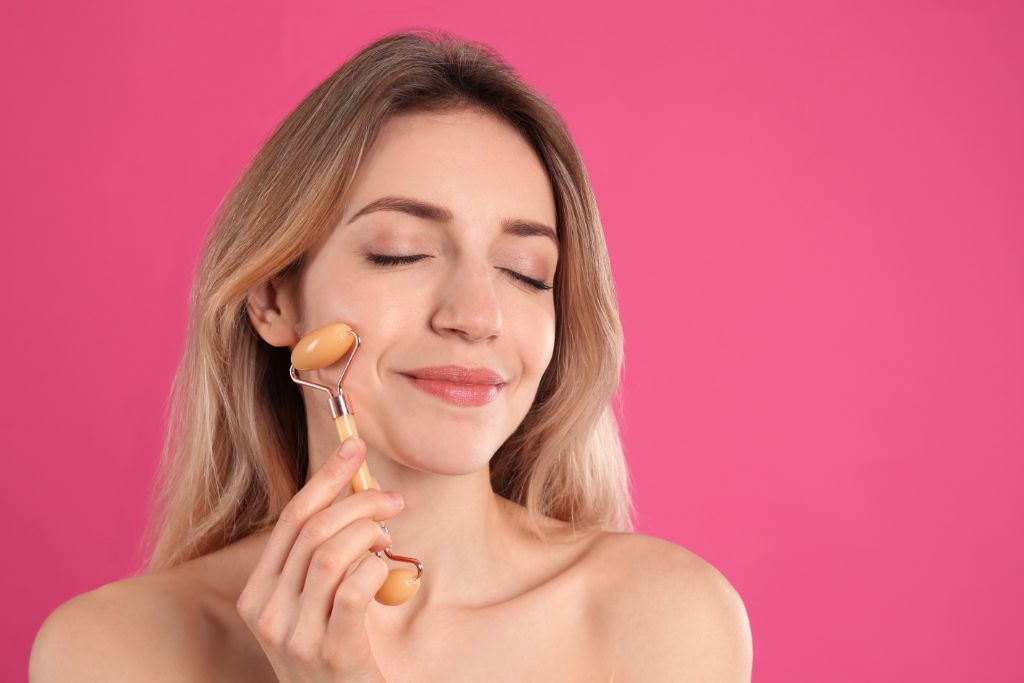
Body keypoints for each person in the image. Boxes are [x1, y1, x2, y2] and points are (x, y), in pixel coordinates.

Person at [30, 29, 752, 682]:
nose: (476, 316)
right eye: (399, 253)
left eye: (528, 271)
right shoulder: (110, 650)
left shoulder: (666, 622)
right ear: (275, 299)